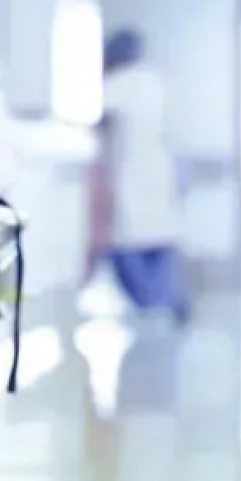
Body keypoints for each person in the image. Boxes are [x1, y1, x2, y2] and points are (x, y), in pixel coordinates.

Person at [88, 28, 189, 324]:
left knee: (127, 242)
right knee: (160, 239)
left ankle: (151, 303)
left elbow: (96, 120)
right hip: (161, 171)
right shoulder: (155, 82)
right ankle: (167, 299)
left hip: (129, 172)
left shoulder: (116, 85)